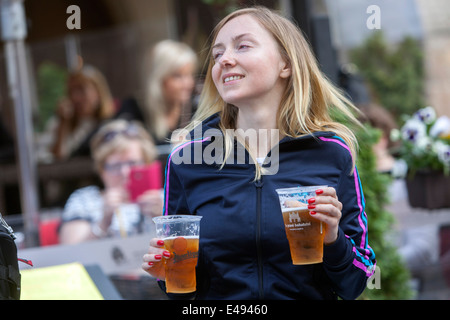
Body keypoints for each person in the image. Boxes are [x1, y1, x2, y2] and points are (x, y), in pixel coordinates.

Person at [142, 6, 376, 300]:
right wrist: (168, 273)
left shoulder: (330, 152)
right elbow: (185, 292)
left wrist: (333, 239)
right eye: (217, 55)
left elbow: (356, 283)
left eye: (243, 46)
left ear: (285, 64)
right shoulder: (189, 158)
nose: (224, 60)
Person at [59, 119, 163, 244]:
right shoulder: (84, 200)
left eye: (133, 164)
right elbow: (69, 252)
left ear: (147, 164)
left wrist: (164, 217)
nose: (125, 172)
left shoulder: (164, 199)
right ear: (102, 170)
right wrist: (103, 223)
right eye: (115, 166)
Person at [115, 40, 198, 144]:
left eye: (190, 75)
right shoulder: (133, 110)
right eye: (178, 76)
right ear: (158, 78)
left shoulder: (196, 110)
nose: (189, 83)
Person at [38, 65, 116, 161]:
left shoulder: (112, 125)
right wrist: (63, 124)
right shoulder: (58, 123)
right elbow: (57, 162)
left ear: (98, 92)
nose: (75, 97)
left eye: (81, 89)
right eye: (71, 91)